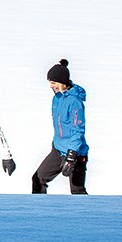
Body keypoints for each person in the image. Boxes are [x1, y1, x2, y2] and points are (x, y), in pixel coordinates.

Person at [31, 58, 88, 194]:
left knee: (77, 191)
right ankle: (39, 212)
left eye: (53, 83)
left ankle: (88, 214)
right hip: (58, 149)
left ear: (62, 82)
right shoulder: (56, 98)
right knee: (38, 179)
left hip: (75, 153)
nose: (51, 86)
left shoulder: (75, 102)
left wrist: (71, 155)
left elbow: (77, 130)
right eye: (50, 83)